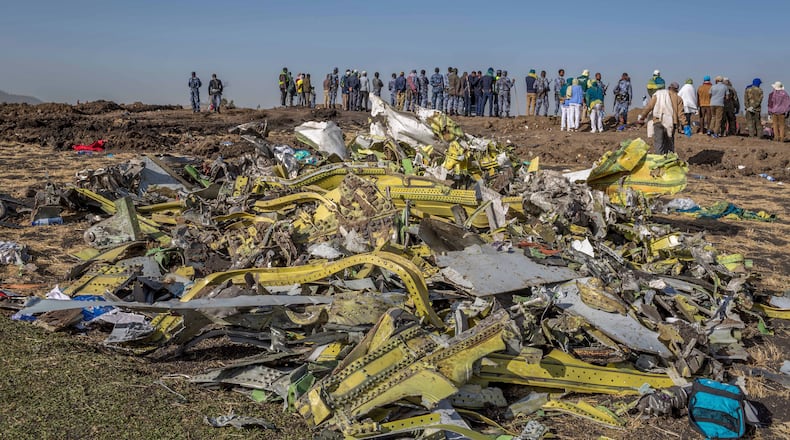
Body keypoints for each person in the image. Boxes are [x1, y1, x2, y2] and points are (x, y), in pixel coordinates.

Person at [637, 82, 686, 154]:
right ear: (676, 90)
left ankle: (659, 160)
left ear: (669, 88)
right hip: (671, 123)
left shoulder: (659, 95)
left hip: (658, 120)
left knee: (659, 143)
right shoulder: (678, 99)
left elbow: (649, 107)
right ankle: (669, 161)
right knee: (669, 144)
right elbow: (681, 114)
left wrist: (642, 117)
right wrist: (685, 124)